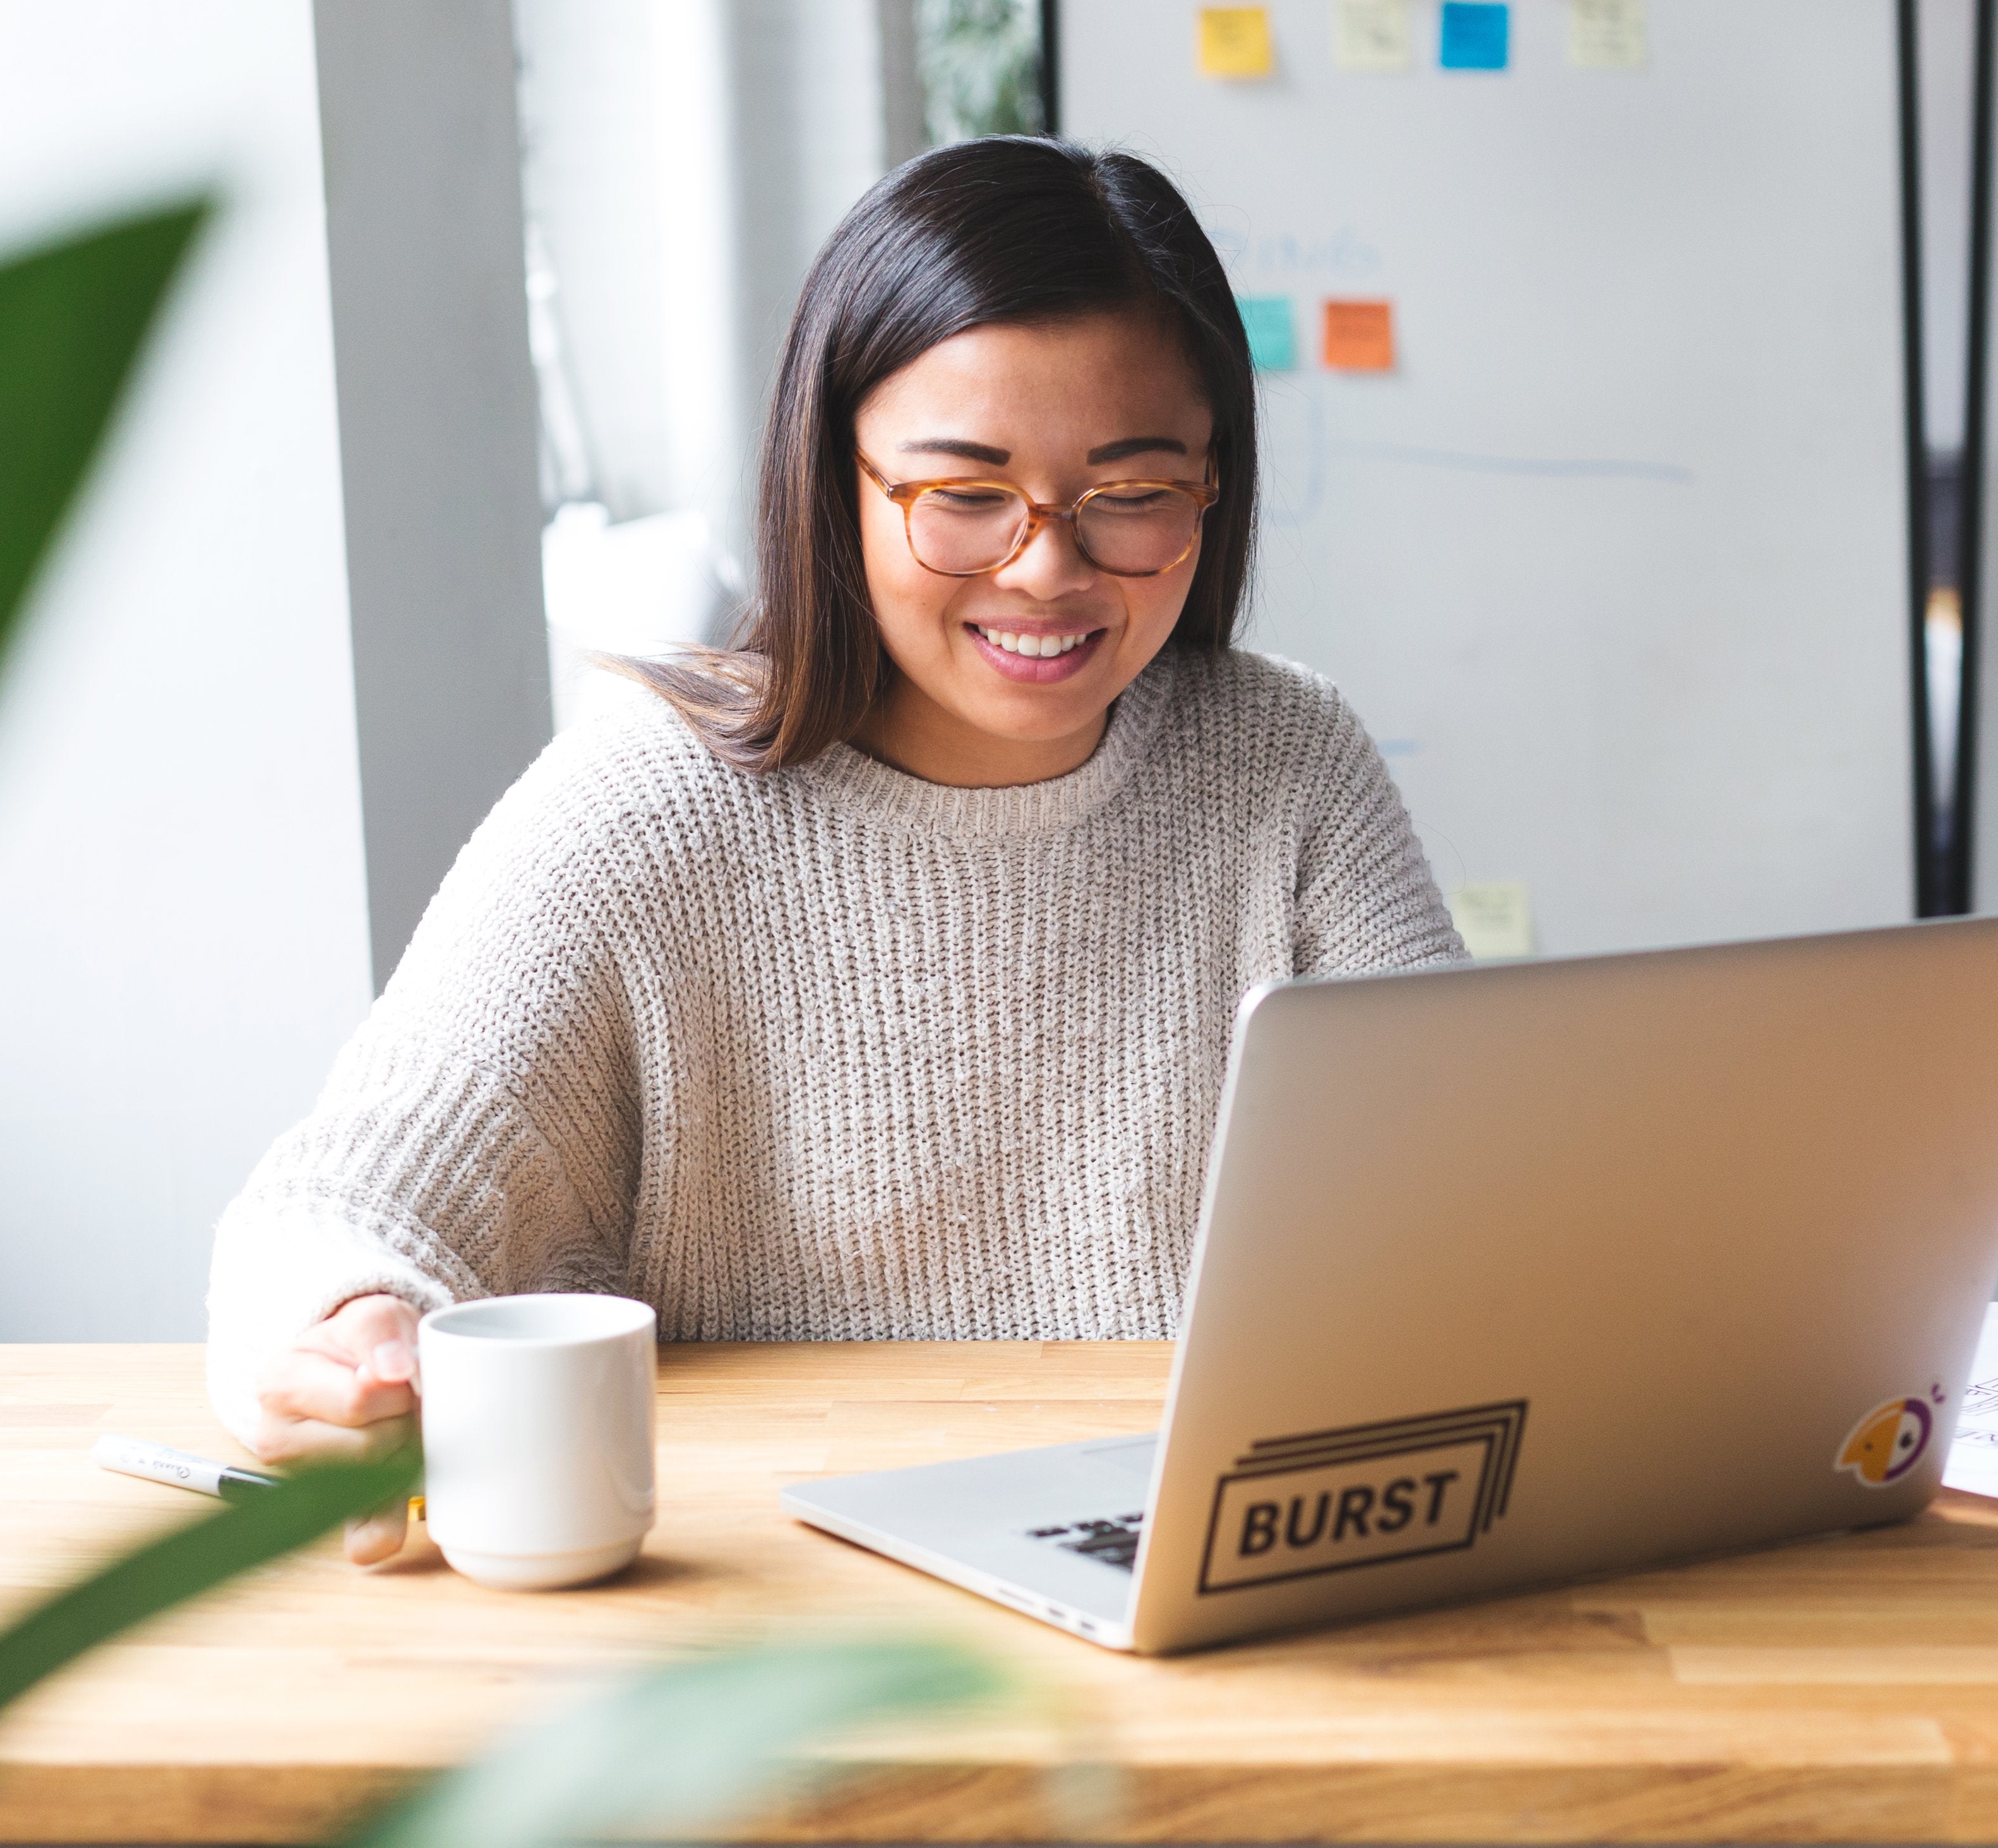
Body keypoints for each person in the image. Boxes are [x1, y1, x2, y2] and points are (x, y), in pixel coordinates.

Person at [207, 137, 1465, 1561]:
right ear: (834, 482)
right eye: (964, 492)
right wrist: (347, 1338)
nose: (1046, 566)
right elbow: (336, 1204)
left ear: (1211, 486)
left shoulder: (1287, 762)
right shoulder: (644, 801)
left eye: (1129, 493)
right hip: (767, 1607)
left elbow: (1471, 1200)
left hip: (1186, 1563)